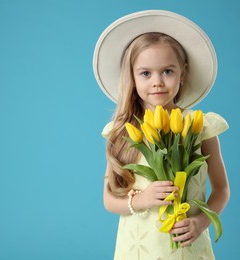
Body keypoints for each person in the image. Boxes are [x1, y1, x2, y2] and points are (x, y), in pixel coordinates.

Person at [93, 10, 230, 259]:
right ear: (132, 78)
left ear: (182, 72)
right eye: (145, 73)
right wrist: (142, 199)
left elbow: (221, 189)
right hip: (139, 248)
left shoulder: (199, 127)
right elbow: (109, 200)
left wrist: (201, 223)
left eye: (167, 71)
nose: (157, 81)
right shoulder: (125, 130)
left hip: (188, 246)